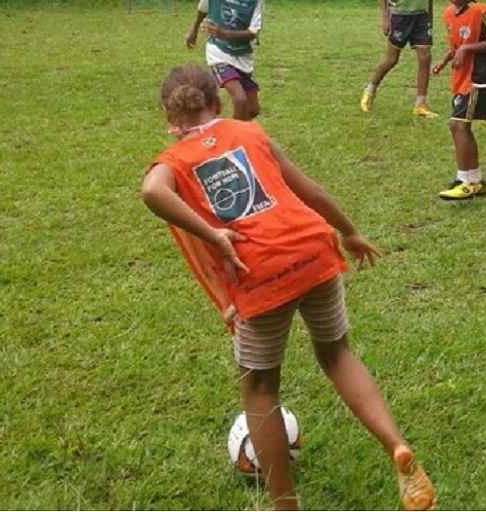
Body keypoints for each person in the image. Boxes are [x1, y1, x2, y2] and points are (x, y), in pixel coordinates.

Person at [141, 65, 437, 511]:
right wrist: (350, 232)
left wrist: (214, 234)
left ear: (169, 118)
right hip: (314, 250)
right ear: (218, 103)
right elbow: (311, 191)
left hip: (259, 272)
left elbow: (152, 192)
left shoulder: (173, 162)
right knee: (337, 354)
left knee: (260, 390)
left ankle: (285, 504)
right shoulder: (251, 132)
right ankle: (396, 445)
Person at [432, 0, 486, 201]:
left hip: (478, 78)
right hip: (460, 78)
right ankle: (475, 180)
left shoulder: (480, 11)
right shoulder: (448, 14)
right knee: (462, 126)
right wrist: (445, 60)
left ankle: (465, 181)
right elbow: (456, 45)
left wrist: (467, 49)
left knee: (458, 125)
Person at [186, 0, 266, 121]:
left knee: (252, 110)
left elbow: (253, 31)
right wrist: (194, 31)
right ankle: (232, 137)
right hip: (218, 51)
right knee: (240, 99)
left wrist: (225, 33)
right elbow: (203, 9)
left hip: (243, 55)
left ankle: (228, 130)